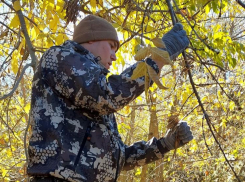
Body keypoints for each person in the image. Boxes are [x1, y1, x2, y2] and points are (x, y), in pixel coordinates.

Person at [27, 15, 193, 182]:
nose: (114, 57)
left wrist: (166, 143)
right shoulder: (59, 57)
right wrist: (159, 57)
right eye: (111, 46)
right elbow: (108, 94)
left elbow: (119, 157)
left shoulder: (93, 97)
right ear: (91, 39)